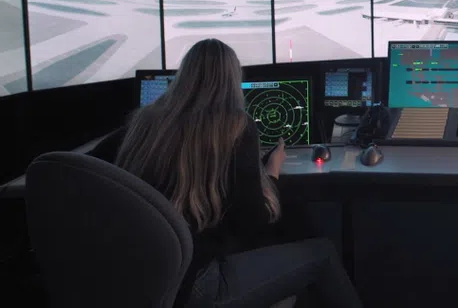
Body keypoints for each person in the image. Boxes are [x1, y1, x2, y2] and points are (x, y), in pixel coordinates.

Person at [91, 39, 362, 308]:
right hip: (194, 285)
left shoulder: (142, 124)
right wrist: (272, 172)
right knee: (322, 252)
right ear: (233, 79)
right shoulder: (234, 128)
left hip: (135, 278)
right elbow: (253, 220)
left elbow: (80, 167)